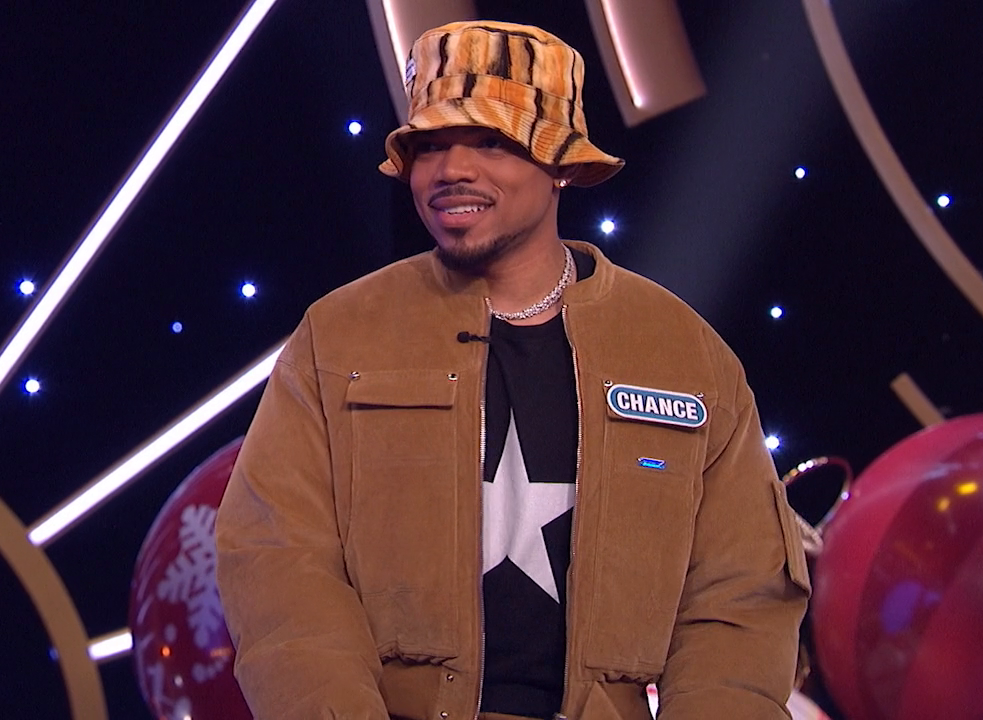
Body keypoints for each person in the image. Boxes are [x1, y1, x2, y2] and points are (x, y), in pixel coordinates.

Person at [215, 20, 811, 720]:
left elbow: (739, 595)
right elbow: (278, 559)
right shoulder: (340, 335)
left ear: (561, 164)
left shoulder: (682, 352)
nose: (452, 170)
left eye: (491, 142)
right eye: (430, 145)